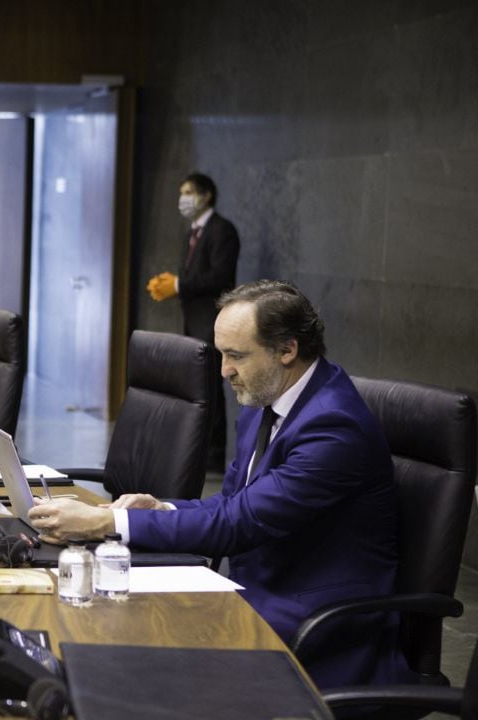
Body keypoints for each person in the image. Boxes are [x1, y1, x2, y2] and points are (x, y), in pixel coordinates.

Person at [28, 280, 409, 691]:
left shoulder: (333, 427)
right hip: (260, 587)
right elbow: (232, 503)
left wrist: (106, 522)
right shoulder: (265, 401)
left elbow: (238, 522)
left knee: (141, 644)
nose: (224, 370)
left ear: (287, 350)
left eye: (236, 356)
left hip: (319, 621)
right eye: (221, 354)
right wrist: (161, 511)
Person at [147, 172, 239, 469]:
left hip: (213, 321)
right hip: (193, 320)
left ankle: (213, 457)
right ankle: (197, 452)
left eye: (188, 192)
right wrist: (173, 285)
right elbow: (190, 277)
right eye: (181, 192)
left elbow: (220, 277)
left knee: (212, 387)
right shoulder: (192, 233)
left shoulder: (222, 230)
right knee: (198, 386)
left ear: (206, 195)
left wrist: (178, 285)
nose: (182, 199)